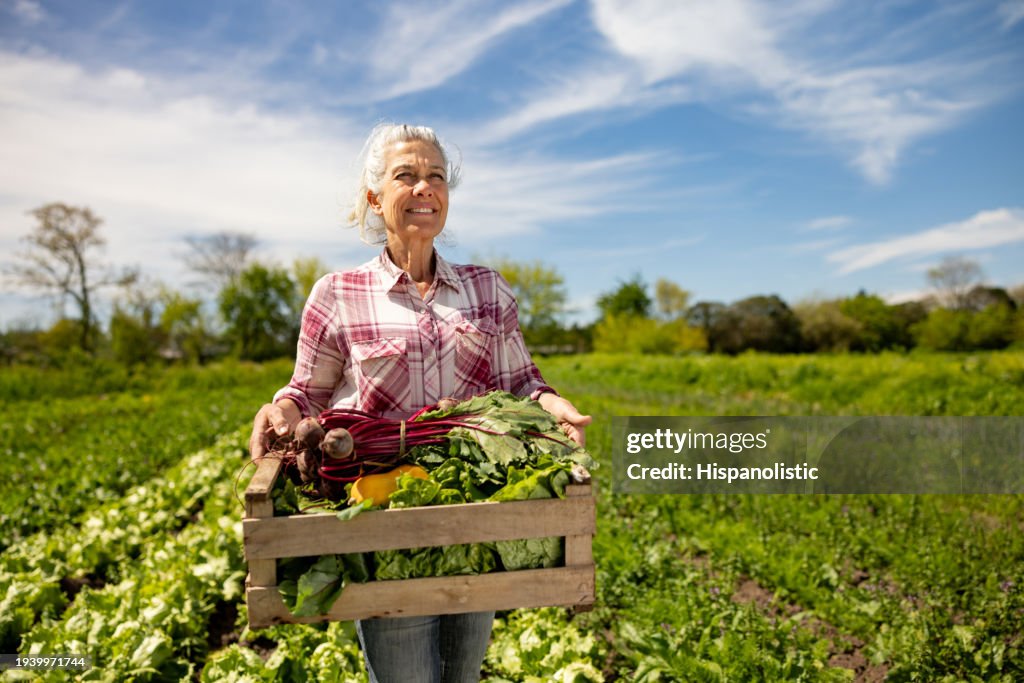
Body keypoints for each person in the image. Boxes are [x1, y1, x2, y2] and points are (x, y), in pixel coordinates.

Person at [248, 122, 591, 683]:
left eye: (436, 177)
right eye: (405, 176)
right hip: (381, 524)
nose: (424, 188)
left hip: (471, 513)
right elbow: (306, 393)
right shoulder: (337, 293)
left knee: (463, 675)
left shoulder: (488, 290)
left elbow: (523, 382)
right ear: (375, 198)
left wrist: (551, 405)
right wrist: (280, 412)